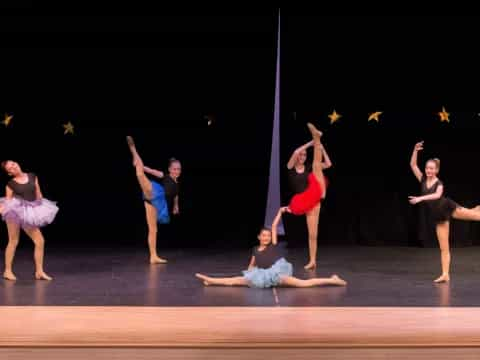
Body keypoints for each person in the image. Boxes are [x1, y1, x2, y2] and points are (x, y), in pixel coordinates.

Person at [195, 207, 346, 288]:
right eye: (264, 235)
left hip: (277, 273)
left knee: (303, 284)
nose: (267, 237)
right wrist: (249, 274)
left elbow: (274, 226)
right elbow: (252, 264)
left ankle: (333, 280)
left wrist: (280, 212)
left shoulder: (273, 245)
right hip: (261, 276)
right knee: (235, 280)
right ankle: (211, 280)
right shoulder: (255, 250)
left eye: (268, 235)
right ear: (259, 237)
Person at [410, 141, 480, 282]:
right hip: (440, 217)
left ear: (436, 170)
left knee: (476, 217)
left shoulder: (439, 183)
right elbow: (413, 165)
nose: (428, 171)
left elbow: (436, 195)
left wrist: (420, 198)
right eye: (427, 168)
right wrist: (415, 150)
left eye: (431, 169)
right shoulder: (423, 179)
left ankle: (476, 209)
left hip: (448, 207)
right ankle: (445, 274)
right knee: (444, 248)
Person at [0, 160, 58, 281]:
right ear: (9, 173)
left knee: (40, 241)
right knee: (13, 241)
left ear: (17, 163)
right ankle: (7, 271)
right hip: (15, 211)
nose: (13, 166)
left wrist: (39, 209)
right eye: (10, 168)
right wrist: (2, 210)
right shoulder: (10, 184)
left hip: (29, 211)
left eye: (13, 163)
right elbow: (8, 200)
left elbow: (38, 193)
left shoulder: (32, 176)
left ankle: (39, 271)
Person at [126, 136, 180, 264]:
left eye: (178, 169)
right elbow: (152, 171)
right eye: (174, 169)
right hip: (154, 193)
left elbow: (176, 195)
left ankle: (153, 256)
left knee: (153, 230)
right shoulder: (165, 176)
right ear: (170, 169)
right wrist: (143, 167)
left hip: (155, 205)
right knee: (140, 173)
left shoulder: (177, 185)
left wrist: (176, 206)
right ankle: (133, 150)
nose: (177, 171)